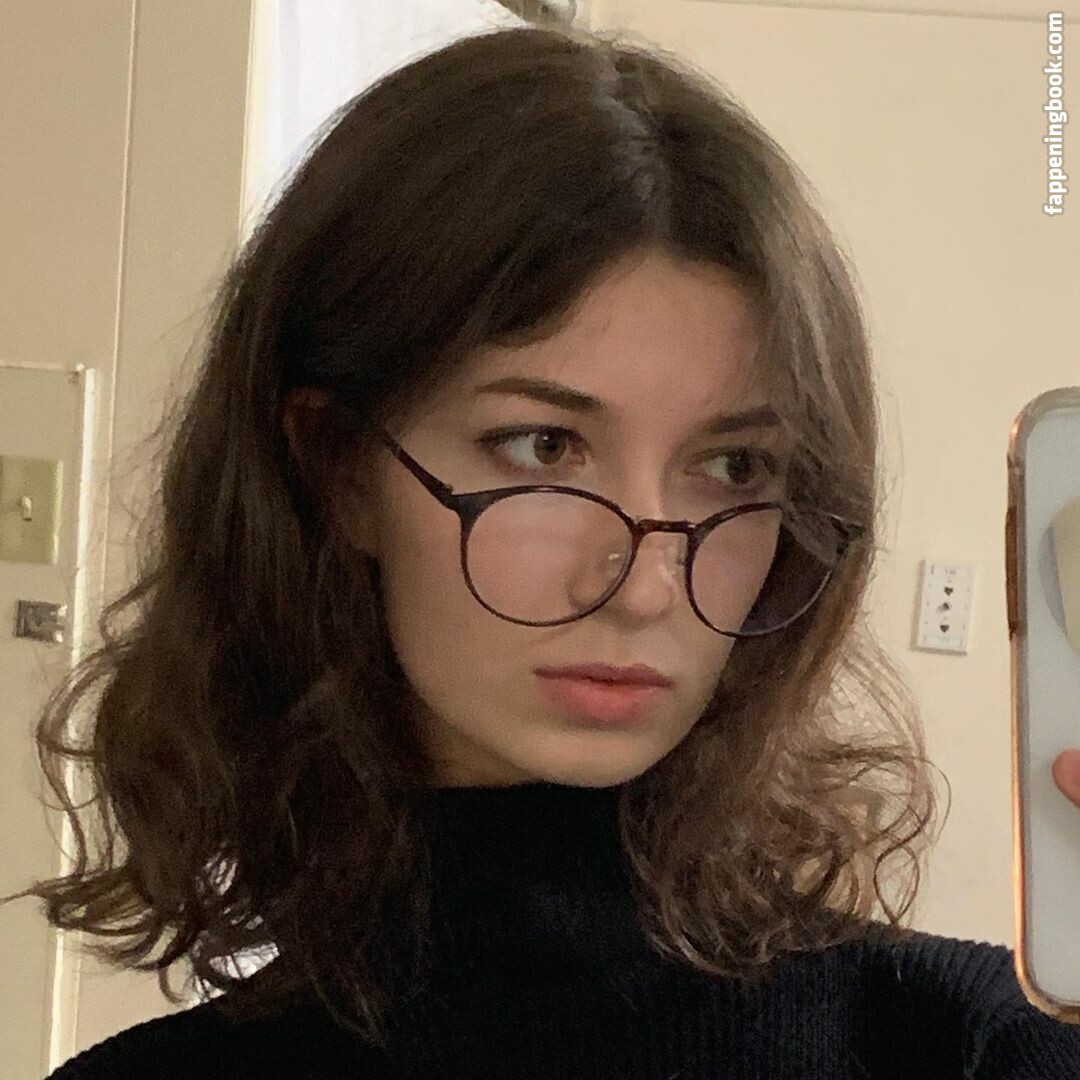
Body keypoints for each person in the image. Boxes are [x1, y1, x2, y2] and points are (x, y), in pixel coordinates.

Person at [7, 21, 1080, 1080]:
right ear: (339, 467)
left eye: (733, 467)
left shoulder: (973, 1047)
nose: (646, 585)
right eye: (544, 448)